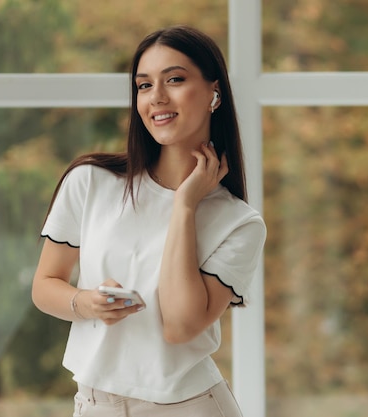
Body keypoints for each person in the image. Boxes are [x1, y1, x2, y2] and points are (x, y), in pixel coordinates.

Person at [31, 25, 266, 417]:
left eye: (174, 79)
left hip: (190, 406)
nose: (156, 97)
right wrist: (86, 303)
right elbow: (44, 286)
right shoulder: (90, 181)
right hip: (94, 404)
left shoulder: (239, 223)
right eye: (143, 85)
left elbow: (179, 326)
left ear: (214, 93)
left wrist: (185, 205)